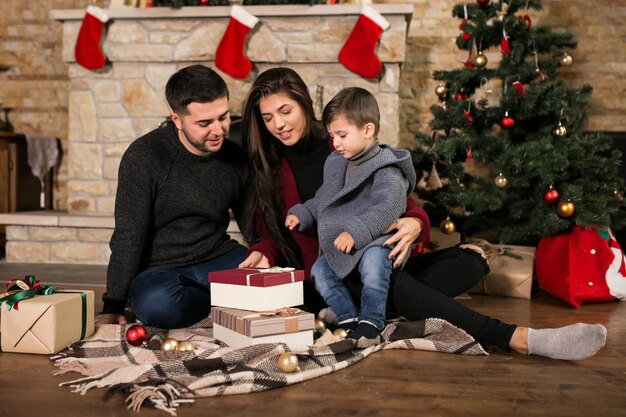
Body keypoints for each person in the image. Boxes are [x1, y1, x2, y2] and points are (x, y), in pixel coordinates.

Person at [239, 67, 607, 361]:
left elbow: (396, 197)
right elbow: (269, 232)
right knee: (393, 283)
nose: (279, 124)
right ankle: (515, 337)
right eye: (268, 117)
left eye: (285, 111)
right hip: (329, 273)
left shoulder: (343, 145)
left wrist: (416, 223)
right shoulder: (267, 167)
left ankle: (375, 309)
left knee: (469, 263)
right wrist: (266, 252)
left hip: (368, 255)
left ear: (304, 104)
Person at [96, 64, 249, 329]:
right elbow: (128, 234)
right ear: (176, 119)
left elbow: (252, 221)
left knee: (272, 285)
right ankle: (224, 302)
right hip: (159, 269)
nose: (218, 130)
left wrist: (266, 259)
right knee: (159, 305)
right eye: (204, 123)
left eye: (223, 117)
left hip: (217, 256)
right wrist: (113, 304)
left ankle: (219, 301)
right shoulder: (144, 156)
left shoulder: (235, 156)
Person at [285, 87, 417, 340]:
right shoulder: (337, 162)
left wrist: (355, 232)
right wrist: (304, 213)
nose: (335, 143)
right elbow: (326, 198)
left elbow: (387, 208)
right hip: (346, 241)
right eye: (333, 135)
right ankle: (348, 316)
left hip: (377, 238)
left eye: (342, 135)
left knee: (373, 265)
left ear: (368, 130)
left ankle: (372, 320)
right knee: (320, 270)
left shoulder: (387, 169)